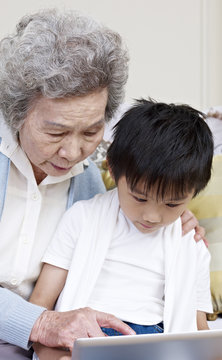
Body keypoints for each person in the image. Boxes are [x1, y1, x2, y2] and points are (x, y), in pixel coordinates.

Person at [0, 8, 204, 360]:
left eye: (90, 131)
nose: (72, 152)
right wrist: (40, 323)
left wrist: (174, 217)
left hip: (6, 341)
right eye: (55, 131)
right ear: (17, 111)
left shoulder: (88, 183)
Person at [30, 99, 214, 359]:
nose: (152, 216)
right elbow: (40, 307)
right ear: (113, 170)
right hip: (89, 336)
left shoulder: (191, 243)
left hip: (157, 341)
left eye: (172, 203)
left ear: (193, 193)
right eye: (139, 197)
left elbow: (199, 329)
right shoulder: (82, 219)